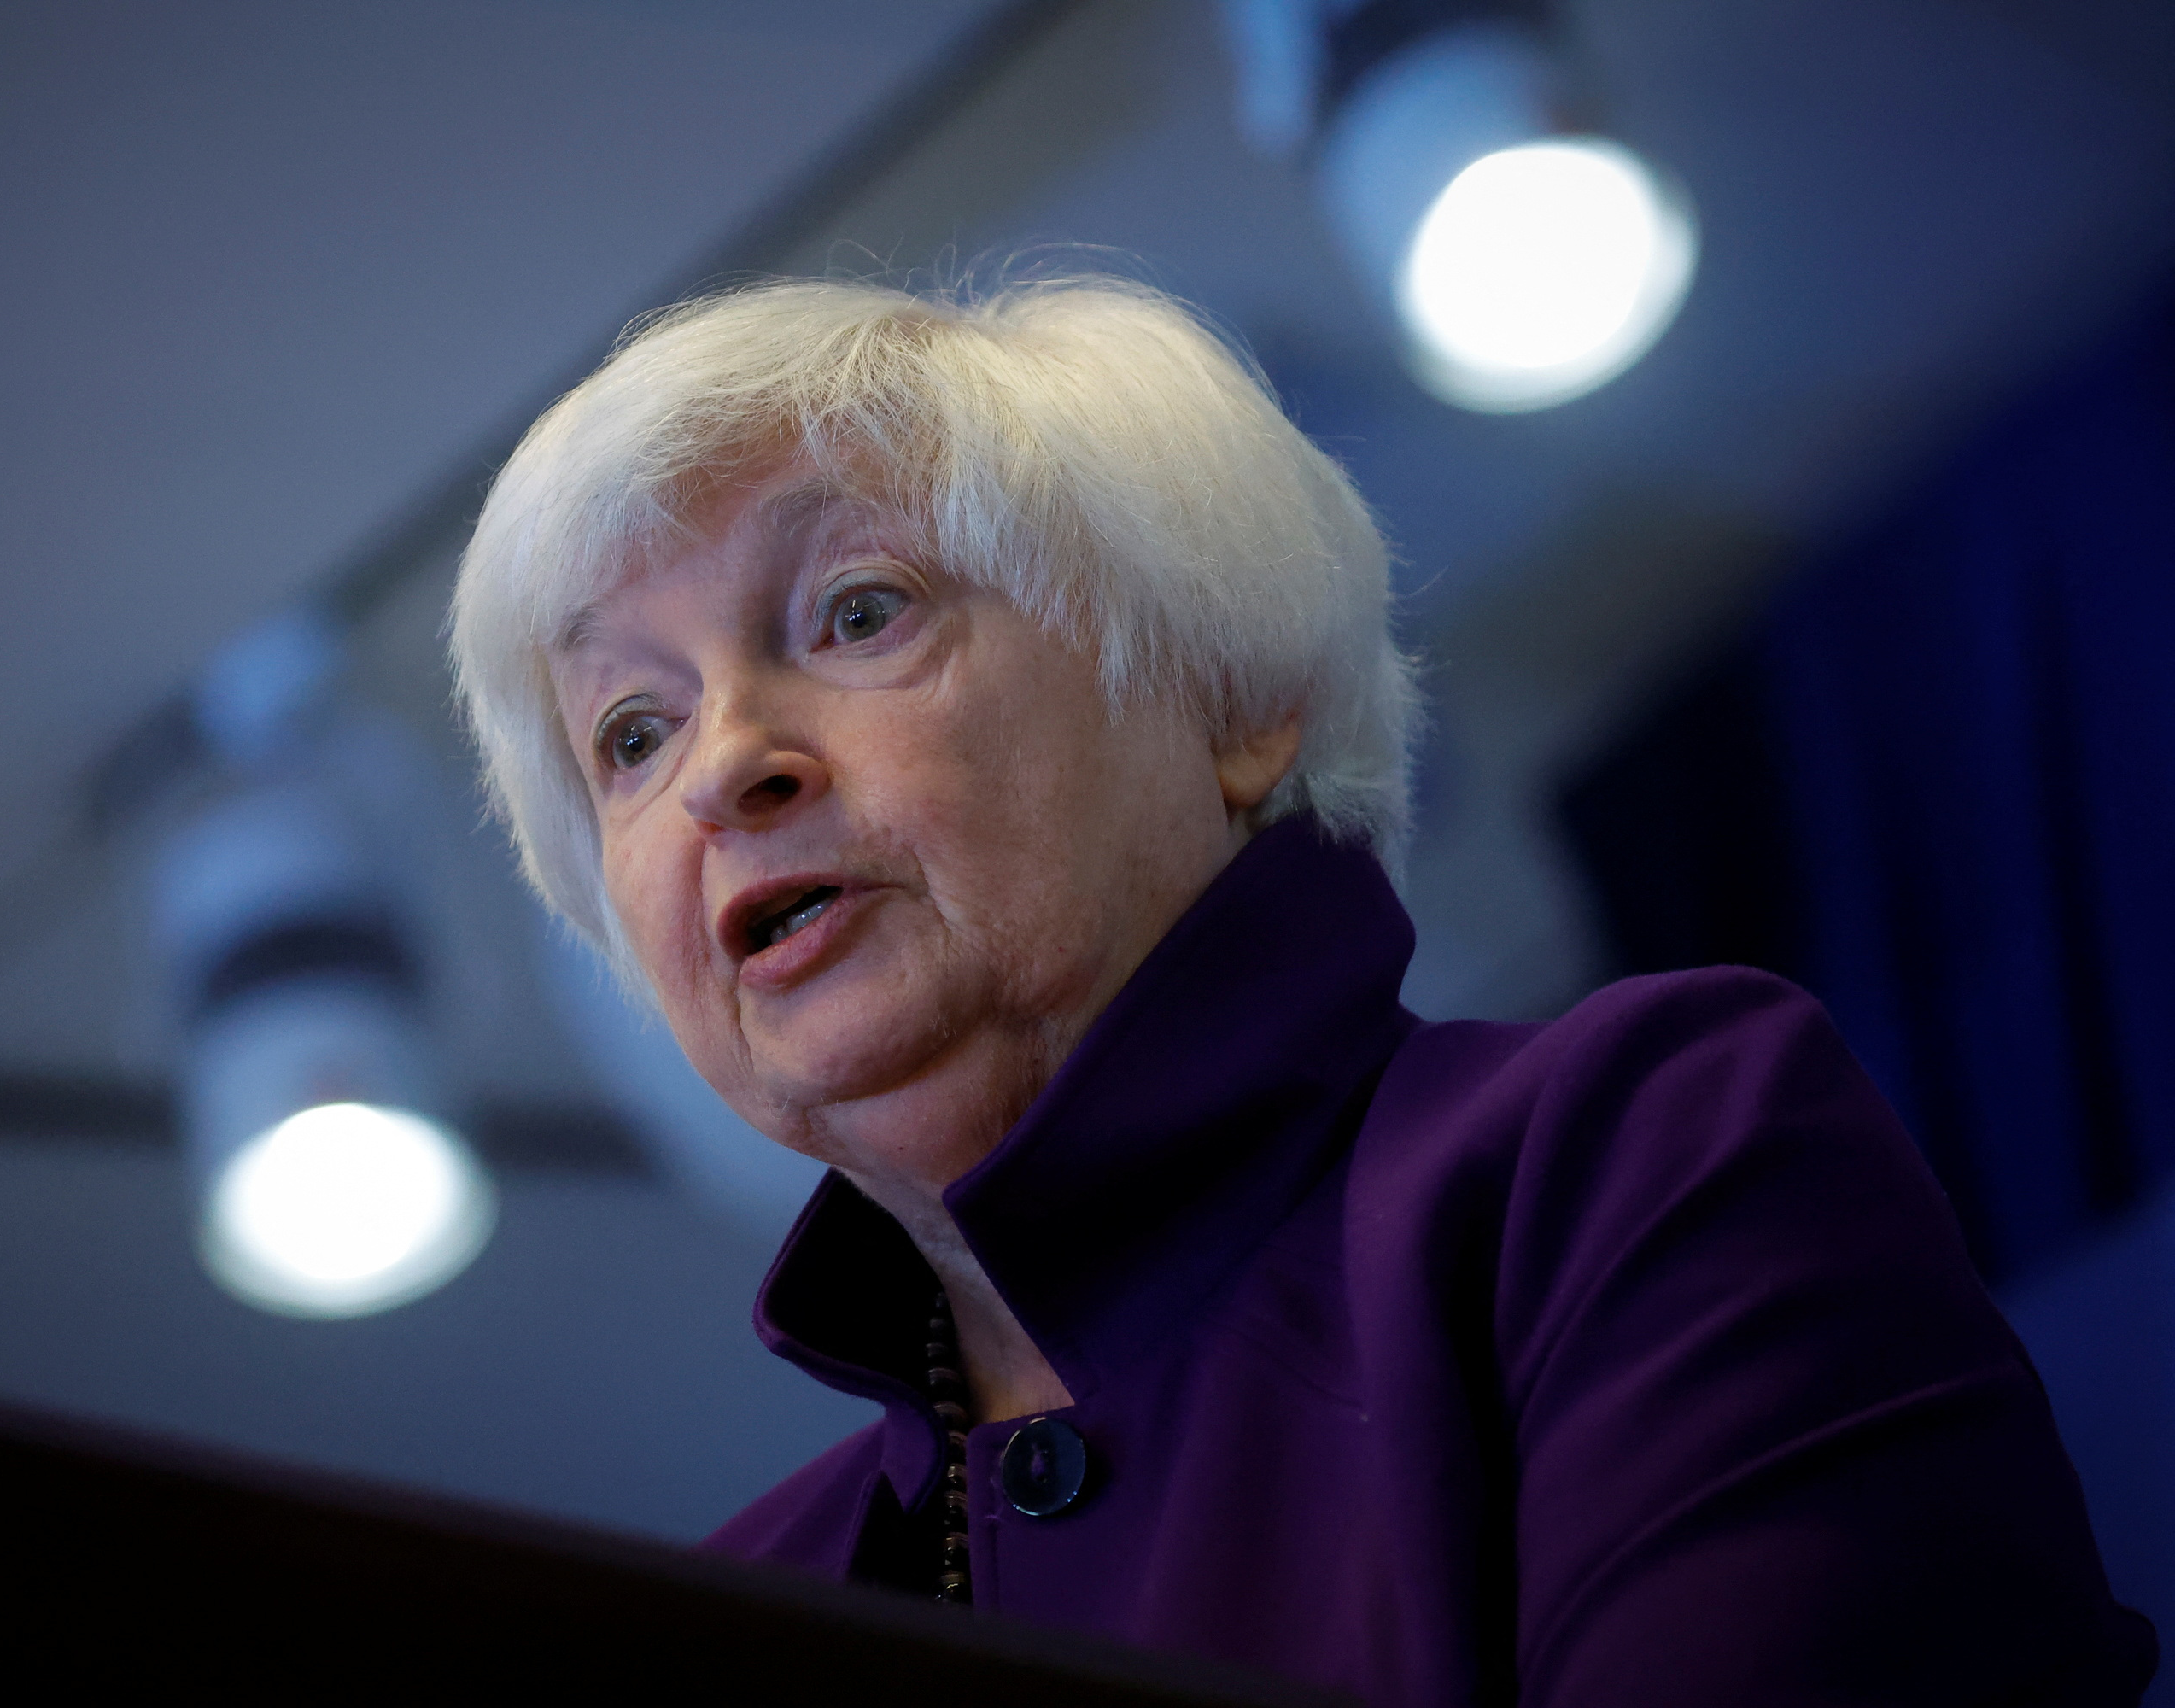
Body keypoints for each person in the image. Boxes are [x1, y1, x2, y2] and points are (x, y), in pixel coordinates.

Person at [447, 275, 2154, 1704]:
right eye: (631, 732)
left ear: (1230, 696)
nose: (722, 767)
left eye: (861, 609)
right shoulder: (720, 1606)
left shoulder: (1633, 1155)